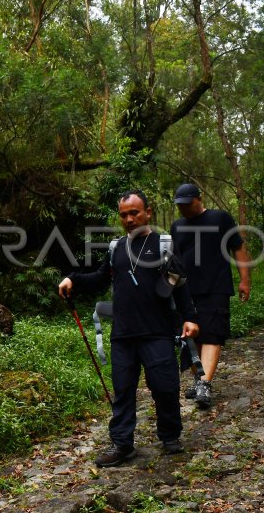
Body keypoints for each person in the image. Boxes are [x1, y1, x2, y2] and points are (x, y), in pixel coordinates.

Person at [58, 189, 199, 468]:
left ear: (148, 212)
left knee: (165, 387)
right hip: (123, 333)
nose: (129, 219)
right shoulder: (116, 248)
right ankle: (122, 443)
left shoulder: (164, 244)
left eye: (135, 213)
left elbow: (180, 284)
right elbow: (100, 278)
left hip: (157, 330)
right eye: (124, 215)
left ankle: (170, 436)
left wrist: (190, 317)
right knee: (123, 390)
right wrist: (72, 279)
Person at [171, 183, 251, 410]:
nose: (184, 209)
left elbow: (238, 247)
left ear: (199, 198)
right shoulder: (177, 226)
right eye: (180, 205)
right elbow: (173, 258)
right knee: (190, 337)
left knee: (213, 334)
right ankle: (199, 380)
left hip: (216, 286)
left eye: (187, 204)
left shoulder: (220, 218)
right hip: (185, 289)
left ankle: (205, 384)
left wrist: (244, 279)